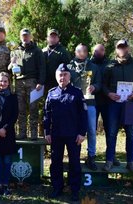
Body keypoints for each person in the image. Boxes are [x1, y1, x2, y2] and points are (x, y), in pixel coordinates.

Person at [102, 40, 133, 172]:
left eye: (124, 47)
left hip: (131, 104)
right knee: (111, 133)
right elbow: (103, 84)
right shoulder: (110, 66)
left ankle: (131, 162)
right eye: (119, 47)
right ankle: (109, 160)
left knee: (131, 133)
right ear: (116, 49)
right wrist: (109, 94)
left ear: (128, 48)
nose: (122, 49)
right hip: (113, 104)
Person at [44, 64, 87, 201]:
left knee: (74, 163)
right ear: (57, 77)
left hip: (73, 135)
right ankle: (57, 187)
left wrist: (82, 133)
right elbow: (47, 115)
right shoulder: (51, 93)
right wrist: (47, 132)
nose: (62, 77)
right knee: (55, 162)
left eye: (65, 75)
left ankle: (74, 190)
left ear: (69, 76)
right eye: (60, 75)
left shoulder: (77, 92)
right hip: (56, 134)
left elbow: (83, 115)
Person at [68, 44, 101, 171]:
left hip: (90, 103)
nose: (82, 53)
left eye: (84, 51)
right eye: (79, 51)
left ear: (87, 53)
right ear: (75, 52)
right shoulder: (69, 66)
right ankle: (75, 156)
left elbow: (99, 83)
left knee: (92, 130)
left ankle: (91, 156)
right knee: (74, 130)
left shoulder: (94, 67)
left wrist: (94, 87)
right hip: (74, 104)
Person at [8, 28, 46, 140]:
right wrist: (12, 62)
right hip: (19, 81)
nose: (25, 37)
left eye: (27, 35)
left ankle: (33, 133)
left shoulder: (37, 51)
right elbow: (10, 69)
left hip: (33, 82)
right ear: (20, 37)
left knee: (33, 108)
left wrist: (40, 82)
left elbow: (42, 68)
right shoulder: (16, 51)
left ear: (30, 37)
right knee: (21, 109)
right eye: (23, 36)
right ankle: (22, 132)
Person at [42, 29, 71, 94]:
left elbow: (68, 68)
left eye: (55, 37)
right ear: (47, 38)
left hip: (58, 82)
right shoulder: (43, 51)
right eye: (51, 37)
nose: (53, 38)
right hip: (45, 83)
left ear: (58, 38)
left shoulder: (63, 51)